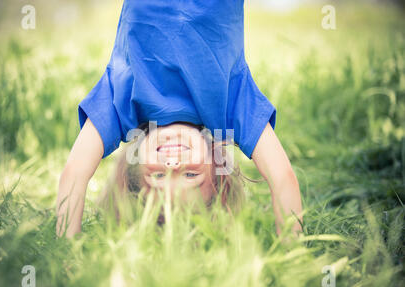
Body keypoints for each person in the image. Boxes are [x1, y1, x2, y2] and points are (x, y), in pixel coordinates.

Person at [56, 0, 302, 238]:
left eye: (159, 177)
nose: (173, 166)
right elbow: (282, 177)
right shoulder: (231, 107)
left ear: (135, 169)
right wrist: (292, 253)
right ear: (218, 167)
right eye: (191, 176)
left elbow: (75, 173)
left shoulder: (121, 105)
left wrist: (67, 255)